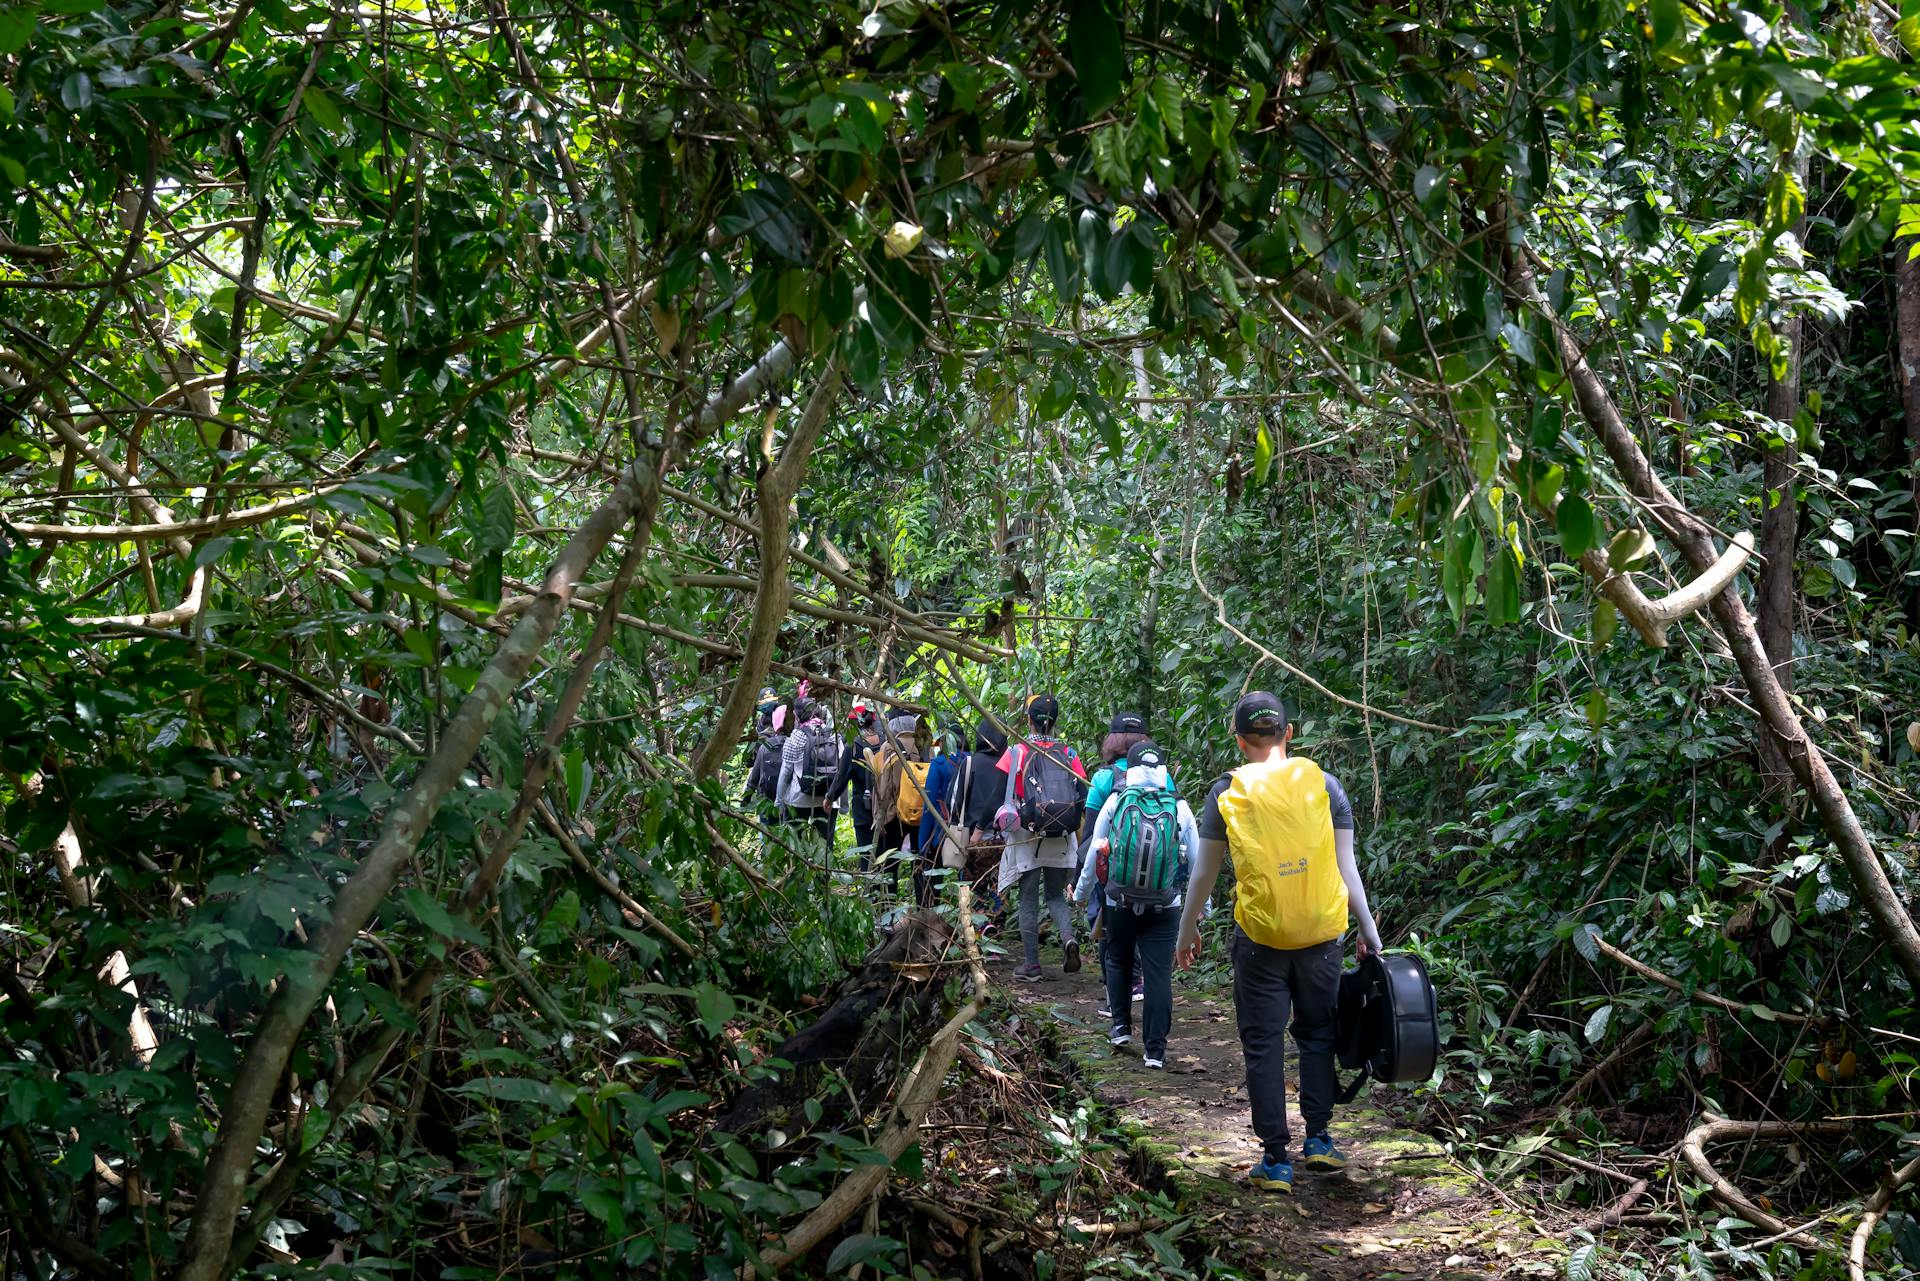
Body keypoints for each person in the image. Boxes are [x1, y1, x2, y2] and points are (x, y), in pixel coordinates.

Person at [1175, 692, 1383, 1195]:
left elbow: (1204, 872)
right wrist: (1368, 931)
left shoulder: (1228, 789)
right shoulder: (1325, 785)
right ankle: (1319, 1139)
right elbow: (1345, 866)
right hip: (1322, 935)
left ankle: (1275, 1160)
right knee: (1316, 1034)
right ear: (1290, 734)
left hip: (1261, 940)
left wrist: (1187, 931)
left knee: (1263, 1044)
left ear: (1240, 739)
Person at [1074, 740, 1197, 1069]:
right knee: (1158, 975)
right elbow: (1197, 861)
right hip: (1165, 904)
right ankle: (1155, 1051)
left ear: (1128, 770)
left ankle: (1120, 1028)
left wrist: (1081, 894)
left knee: (1118, 960)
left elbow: (1094, 852)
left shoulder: (1115, 801)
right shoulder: (1179, 807)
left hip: (1119, 900)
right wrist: (1204, 906)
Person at [994, 693, 1087, 981]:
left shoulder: (1017, 752)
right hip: (1062, 837)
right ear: (1055, 721)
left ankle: (1032, 966)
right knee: (1056, 896)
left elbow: (1003, 794)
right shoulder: (1069, 754)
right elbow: (1083, 795)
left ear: (1029, 720)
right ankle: (1069, 938)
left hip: (1028, 836)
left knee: (1028, 901)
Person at [1082, 710, 1154, 1016]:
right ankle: (1141, 983)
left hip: (1111, 867)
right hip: (1152, 865)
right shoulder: (1161, 776)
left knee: (1106, 926)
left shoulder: (1103, 778)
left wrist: (1080, 877)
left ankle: (1117, 994)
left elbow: (1089, 833)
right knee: (1146, 924)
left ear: (1111, 740)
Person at [922, 719, 1009, 927]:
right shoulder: (1007, 764)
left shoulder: (970, 763)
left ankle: (978, 935)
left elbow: (955, 801)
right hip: (1005, 839)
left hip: (974, 839)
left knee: (975, 888)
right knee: (999, 889)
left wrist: (954, 825)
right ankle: (996, 936)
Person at [826, 702, 887, 870]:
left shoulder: (853, 746)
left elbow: (841, 776)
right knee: (886, 856)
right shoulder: (886, 743)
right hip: (886, 807)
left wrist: (830, 797)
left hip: (864, 809)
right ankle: (889, 893)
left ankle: (870, 892)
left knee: (867, 855)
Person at [776, 697, 840, 849]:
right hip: (828, 800)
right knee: (825, 846)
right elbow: (841, 772)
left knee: (796, 845)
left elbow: (785, 773)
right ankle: (824, 872)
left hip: (799, 799)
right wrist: (840, 803)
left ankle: (799, 869)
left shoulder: (796, 738)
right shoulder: (833, 736)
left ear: (797, 716)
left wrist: (779, 801)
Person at [743, 698, 789, 810]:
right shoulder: (796, 742)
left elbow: (753, 774)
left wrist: (744, 804)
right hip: (789, 800)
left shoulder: (763, 742)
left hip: (766, 798)